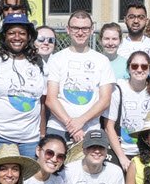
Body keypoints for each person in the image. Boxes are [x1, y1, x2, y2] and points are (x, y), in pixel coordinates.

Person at [0, 14, 46, 166]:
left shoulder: (39, 63)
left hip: (29, 139)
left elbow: (42, 101)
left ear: (29, 36)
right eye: (12, 33)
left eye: (22, 33)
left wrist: (42, 132)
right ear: (4, 36)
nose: (17, 37)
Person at [45, 10, 114, 145]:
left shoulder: (102, 60)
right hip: (58, 128)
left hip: (90, 130)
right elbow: (50, 99)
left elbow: (105, 100)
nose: (80, 32)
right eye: (76, 28)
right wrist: (72, 126)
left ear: (92, 30)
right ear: (68, 30)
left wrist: (81, 121)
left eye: (85, 28)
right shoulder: (56, 59)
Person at [107, 49, 150, 172]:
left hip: (145, 150)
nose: (139, 69)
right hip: (120, 150)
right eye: (135, 66)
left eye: (144, 66)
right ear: (128, 68)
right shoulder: (118, 89)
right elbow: (109, 126)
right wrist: (122, 158)